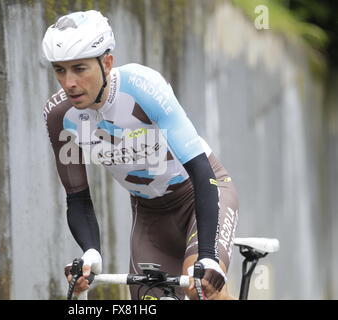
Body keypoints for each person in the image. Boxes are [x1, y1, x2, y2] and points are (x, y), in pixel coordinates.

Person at [42, 10, 239, 300]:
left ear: (106, 63)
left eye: (80, 69)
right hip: (150, 214)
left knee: (198, 291)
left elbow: (200, 171)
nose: (69, 82)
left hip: (201, 193)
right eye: (60, 70)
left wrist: (208, 256)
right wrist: (90, 253)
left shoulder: (142, 87)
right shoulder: (60, 116)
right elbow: (78, 198)